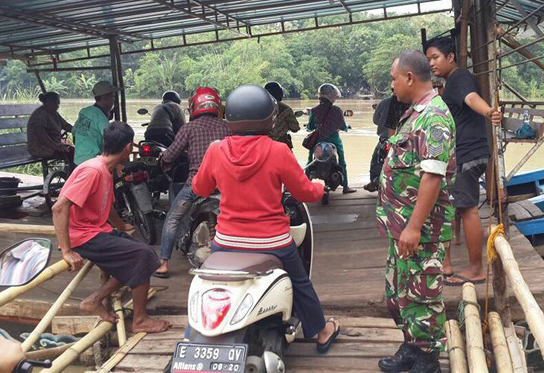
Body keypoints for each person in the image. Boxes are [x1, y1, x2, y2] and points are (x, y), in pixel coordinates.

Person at [192, 85, 340, 353]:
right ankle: (320, 331)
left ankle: (195, 337)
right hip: (271, 241)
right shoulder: (277, 150)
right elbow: (304, 191)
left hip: (226, 242)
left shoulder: (216, 151)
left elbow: (199, 189)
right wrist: (319, 186)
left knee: (208, 280)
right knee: (300, 282)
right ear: (269, 118)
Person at [376, 51, 456, 373]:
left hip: (421, 231)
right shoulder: (415, 113)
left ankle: (427, 360)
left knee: (423, 296)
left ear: (409, 78)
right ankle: (412, 347)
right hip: (404, 229)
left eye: (394, 78)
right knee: (400, 293)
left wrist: (413, 227)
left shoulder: (434, 117)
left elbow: (432, 177)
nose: (392, 85)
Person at [52, 122, 171, 334]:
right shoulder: (92, 171)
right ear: (127, 148)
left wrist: (121, 227)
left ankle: (94, 299)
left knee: (146, 256)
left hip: (97, 230)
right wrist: (67, 249)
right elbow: (59, 208)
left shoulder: (105, 169)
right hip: (83, 236)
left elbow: (105, 205)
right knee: (141, 255)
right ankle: (140, 320)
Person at [425, 36, 502, 285]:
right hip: (471, 152)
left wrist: (489, 111)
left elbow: (471, 98)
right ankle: (451, 265)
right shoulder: (451, 82)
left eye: (435, 58)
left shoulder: (460, 79)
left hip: (467, 153)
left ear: (450, 58)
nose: (431, 64)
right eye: (428, 60)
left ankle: (476, 269)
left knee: (468, 208)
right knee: (458, 205)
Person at [154, 87, 231, 278]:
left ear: (194, 106)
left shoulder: (188, 128)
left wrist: (163, 159)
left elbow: (171, 155)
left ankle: (163, 264)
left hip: (196, 184)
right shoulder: (228, 127)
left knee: (172, 219)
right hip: (226, 185)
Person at [306, 83, 356, 194]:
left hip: (318, 141)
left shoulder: (314, 111)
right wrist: (345, 128)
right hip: (334, 140)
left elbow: (310, 127)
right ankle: (345, 187)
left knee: (309, 160)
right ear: (332, 96)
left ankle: (304, 185)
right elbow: (342, 126)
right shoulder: (337, 110)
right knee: (342, 161)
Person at [364, 93, 410, 192]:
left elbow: (376, 120)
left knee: (375, 161)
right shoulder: (410, 103)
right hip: (404, 140)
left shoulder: (384, 102)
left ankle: (373, 181)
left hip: (385, 138)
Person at [72, 81, 117, 165]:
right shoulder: (100, 117)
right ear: (105, 98)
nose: (113, 100)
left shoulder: (84, 111)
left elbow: (74, 133)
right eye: (112, 97)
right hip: (92, 162)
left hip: (78, 160)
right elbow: (111, 139)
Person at [27, 91, 74, 164]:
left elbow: (66, 125)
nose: (58, 106)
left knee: (74, 151)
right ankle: (73, 174)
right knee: (72, 152)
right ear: (49, 102)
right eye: (56, 103)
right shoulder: (39, 115)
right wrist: (56, 146)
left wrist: (77, 131)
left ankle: (70, 172)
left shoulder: (53, 113)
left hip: (52, 146)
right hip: (40, 148)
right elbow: (42, 135)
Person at [264, 81, 300, 149]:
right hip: (281, 146)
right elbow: (295, 128)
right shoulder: (286, 109)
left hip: (263, 146)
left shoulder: (258, 108)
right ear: (279, 93)